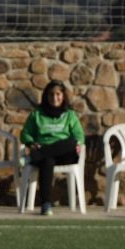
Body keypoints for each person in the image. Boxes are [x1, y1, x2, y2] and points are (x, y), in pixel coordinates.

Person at [19, 80, 84, 216]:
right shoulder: (37, 114)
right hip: (45, 155)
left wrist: (78, 144)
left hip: (63, 154)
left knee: (71, 142)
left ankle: (37, 155)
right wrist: (31, 143)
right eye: (51, 94)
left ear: (63, 96)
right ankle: (46, 204)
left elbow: (79, 136)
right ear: (46, 96)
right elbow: (25, 134)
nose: (55, 98)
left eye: (58, 94)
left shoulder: (70, 115)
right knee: (48, 160)